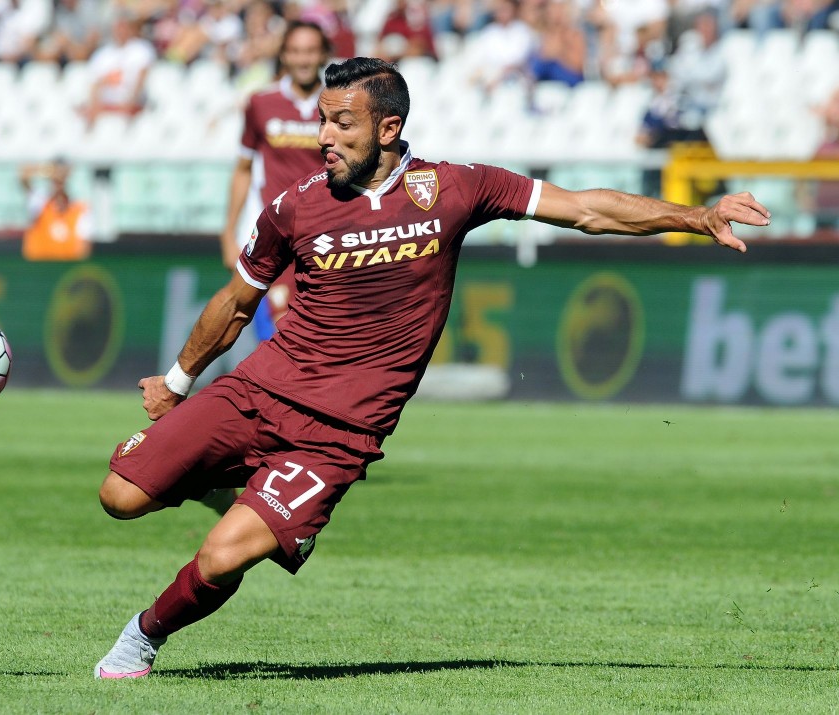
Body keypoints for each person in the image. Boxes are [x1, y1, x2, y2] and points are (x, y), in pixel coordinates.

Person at [93, 57, 771, 679]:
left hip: (336, 434)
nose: (322, 136)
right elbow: (237, 300)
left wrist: (696, 214)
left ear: (389, 127)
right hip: (256, 391)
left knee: (220, 556)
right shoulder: (295, 206)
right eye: (321, 120)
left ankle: (141, 640)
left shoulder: (456, 189)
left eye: (340, 123)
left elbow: (587, 208)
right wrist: (178, 381)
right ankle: (222, 476)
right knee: (119, 497)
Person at [219, 20, 330, 340]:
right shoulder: (261, 104)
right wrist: (228, 232)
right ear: (283, 55)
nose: (303, 59)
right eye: (295, 51)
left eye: (310, 51)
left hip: (327, 234)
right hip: (278, 235)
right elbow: (243, 169)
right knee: (281, 334)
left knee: (321, 335)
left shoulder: (338, 105)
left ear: (322, 54)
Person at [20, 160, 92, 261]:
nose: (58, 185)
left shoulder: (79, 209)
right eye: (56, 182)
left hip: (65, 268)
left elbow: (84, 246)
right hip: (39, 265)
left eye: (61, 181)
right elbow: (24, 177)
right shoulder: (40, 202)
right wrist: (48, 170)